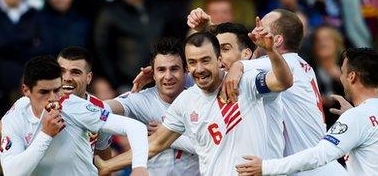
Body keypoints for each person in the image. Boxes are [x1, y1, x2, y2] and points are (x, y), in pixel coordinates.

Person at [96, 25, 294, 175]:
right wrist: (107, 165)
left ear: (219, 60)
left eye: (205, 60)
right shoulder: (186, 101)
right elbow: (156, 143)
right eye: (192, 62)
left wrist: (271, 51)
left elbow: (283, 81)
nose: (199, 69)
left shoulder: (244, 81)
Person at [237, 48, 378, 176]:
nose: (341, 78)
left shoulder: (358, 117)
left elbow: (319, 155)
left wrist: (266, 167)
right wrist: (354, 114)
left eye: (343, 72)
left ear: (352, 76)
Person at [218, 9, 348, 175]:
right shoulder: (301, 64)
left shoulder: (287, 64)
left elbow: (235, 63)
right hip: (321, 166)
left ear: (277, 40)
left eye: (261, 28)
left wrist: (238, 66)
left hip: (310, 169)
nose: (253, 33)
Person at [0, 47, 118, 175]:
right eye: (61, 71)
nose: (66, 78)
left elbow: (104, 163)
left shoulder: (99, 110)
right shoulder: (27, 107)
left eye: (75, 72)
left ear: (89, 77)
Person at [0, 56, 149, 175]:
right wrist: (46, 135)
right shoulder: (16, 116)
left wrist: (139, 167)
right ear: (26, 90)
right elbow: (12, 172)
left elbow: (135, 127)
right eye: (43, 92)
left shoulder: (74, 106)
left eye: (57, 90)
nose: (53, 98)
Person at [105, 37, 200, 175]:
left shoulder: (200, 98)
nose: (168, 76)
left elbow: (207, 146)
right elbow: (108, 106)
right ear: (153, 74)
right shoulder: (142, 99)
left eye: (174, 69)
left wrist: (165, 133)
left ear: (186, 71)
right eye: (161, 70)